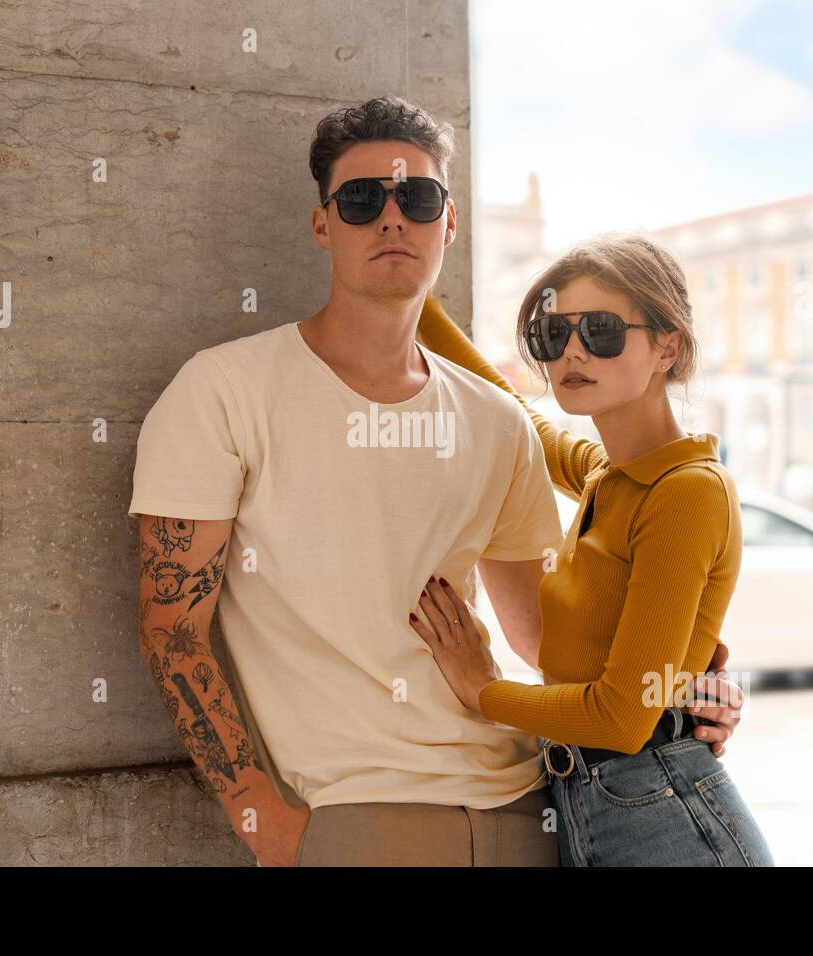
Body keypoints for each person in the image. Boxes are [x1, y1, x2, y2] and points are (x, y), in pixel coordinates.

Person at [128, 96, 745, 867]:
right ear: (323, 224)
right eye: (361, 201)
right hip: (358, 817)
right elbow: (172, 629)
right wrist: (262, 821)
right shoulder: (223, 390)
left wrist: (681, 689)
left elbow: (553, 644)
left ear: (448, 222)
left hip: (537, 809)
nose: (391, 220)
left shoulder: (497, 422)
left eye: (416, 198)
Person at [409, 233, 774, 866]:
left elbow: (622, 718)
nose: (572, 351)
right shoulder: (610, 476)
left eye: (601, 331)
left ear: (669, 346)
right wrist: (414, 292)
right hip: (596, 801)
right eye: (552, 336)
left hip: (663, 813)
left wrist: (483, 689)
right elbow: (516, 414)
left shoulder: (686, 491)